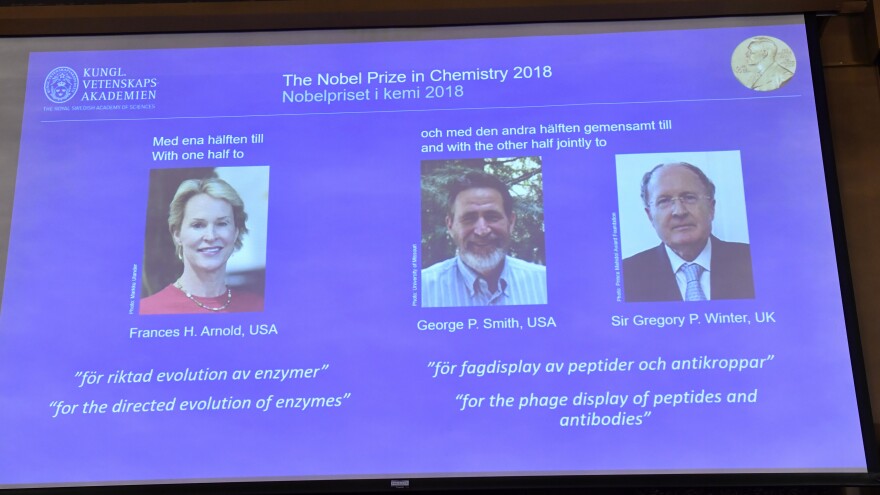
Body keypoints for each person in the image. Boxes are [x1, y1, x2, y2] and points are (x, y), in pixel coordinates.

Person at [622, 162, 754, 302]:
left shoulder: (751, 261)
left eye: (689, 197)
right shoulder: (627, 275)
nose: (679, 211)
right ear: (650, 216)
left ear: (711, 208)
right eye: (664, 201)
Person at [421, 170, 547, 307]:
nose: (482, 231)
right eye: (468, 219)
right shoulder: (422, 290)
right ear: (450, 226)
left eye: (492, 217)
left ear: (511, 222)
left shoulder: (544, 283)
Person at [140, 177, 264, 314]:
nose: (211, 236)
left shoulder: (257, 306)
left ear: (235, 232)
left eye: (222, 223)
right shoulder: (148, 310)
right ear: (177, 234)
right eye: (198, 225)